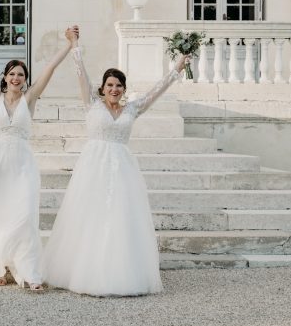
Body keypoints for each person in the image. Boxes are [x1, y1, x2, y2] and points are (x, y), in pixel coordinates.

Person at [43, 28, 188, 297]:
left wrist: (178, 66)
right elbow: (80, 73)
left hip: (122, 169)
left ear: (123, 90)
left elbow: (158, 89)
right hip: (93, 167)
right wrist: (74, 44)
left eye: (119, 85)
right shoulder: (92, 104)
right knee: (90, 217)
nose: (114, 89)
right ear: (103, 88)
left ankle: (118, 272)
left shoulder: (132, 108)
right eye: (110, 85)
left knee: (119, 217)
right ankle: (84, 270)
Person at [0, 15, 77, 292]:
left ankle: (30, 274)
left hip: (23, 164)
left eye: (21, 74)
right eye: (12, 73)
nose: (16, 78)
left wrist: (69, 44)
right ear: (5, 77)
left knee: (24, 216)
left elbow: (50, 68)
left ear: (25, 80)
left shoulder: (30, 98)